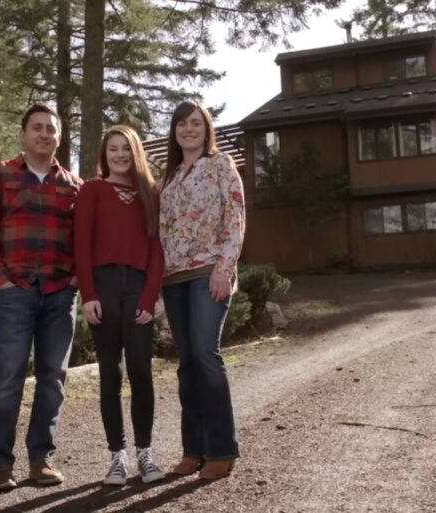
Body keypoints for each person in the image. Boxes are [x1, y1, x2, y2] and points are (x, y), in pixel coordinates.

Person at [0, 102, 82, 493]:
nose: (44, 134)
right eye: (36, 128)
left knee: (53, 378)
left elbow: (83, 240)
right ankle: (1, 466)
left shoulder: (74, 185)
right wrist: (1, 280)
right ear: (24, 134)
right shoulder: (0, 176)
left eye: (50, 129)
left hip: (59, 294)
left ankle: (41, 461)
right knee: (8, 378)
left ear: (59, 137)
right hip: (15, 292)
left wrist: (73, 278)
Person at [74, 125, 166, 486]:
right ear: (104, 154)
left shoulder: (150, 193)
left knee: (141, 370)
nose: (119, 155)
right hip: (104, 287)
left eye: (125, 149)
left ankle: (145, 453)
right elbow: (82, 244)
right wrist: (89, 295)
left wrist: (150, 296)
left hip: (138, 288)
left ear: (136, 152)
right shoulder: (92, 190)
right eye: (112, 149)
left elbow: (158, 248)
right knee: (110, 372)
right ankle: (117, 457)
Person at [158, 100, 245, 480]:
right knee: (188, 363)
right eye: (182, 124)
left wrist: (224, 268)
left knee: (206, 355)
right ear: (174, 131)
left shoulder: (221, 165)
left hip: (210, 270)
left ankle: (222, 449)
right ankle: (193, 449)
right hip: (173, 278)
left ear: (206, 128)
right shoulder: (171, 175)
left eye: (196, 123)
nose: (189, 129)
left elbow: (236, 218)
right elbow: (163, 230)